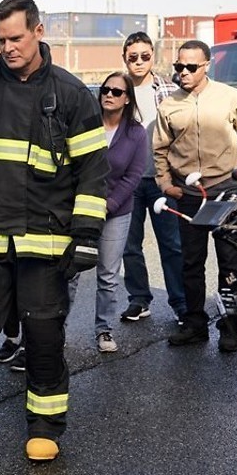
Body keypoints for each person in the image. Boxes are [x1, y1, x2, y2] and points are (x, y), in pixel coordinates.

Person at [0, 0, 108, 462]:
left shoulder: (71, 94)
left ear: (38, 30)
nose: (7, 47)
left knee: (44, 335)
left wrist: (88, 235)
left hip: (45, 241)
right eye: (0, 40)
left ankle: (46, 425)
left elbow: (93, 171)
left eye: (15, 37)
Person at [154, 40, 237, 350]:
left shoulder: (230, 97)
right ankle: (195, 324)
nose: (183, 73)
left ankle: (230, 327)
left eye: (190, 67)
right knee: (191, 262)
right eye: (178, 67)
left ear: (206, 65)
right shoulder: (169, 105)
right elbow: (159, 149)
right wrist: (164, 184)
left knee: (229, 261)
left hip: (225, 189)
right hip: (187, 193)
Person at [69, 72, 147, 352]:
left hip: (116, 211)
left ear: (127, 99)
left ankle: (104, 329)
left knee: (108, 274)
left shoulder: (136, 133)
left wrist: (108, 205)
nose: (109, 95)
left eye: (116, 91)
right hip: (79, 209)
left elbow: (134, 176)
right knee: (71, 271)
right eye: (105, 90)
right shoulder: (85, 125)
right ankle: (56, 329)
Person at [120, 32, 186, 324]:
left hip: (162, 180)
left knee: (171, 244)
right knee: (129, 246)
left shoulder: (171, 90)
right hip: (127, 182)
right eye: (132, 56)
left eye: (145, 56)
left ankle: (181, 303)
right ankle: (139, 299)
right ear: (124, 57)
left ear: (152, 56)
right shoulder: (116, 90)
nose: (139, 62)